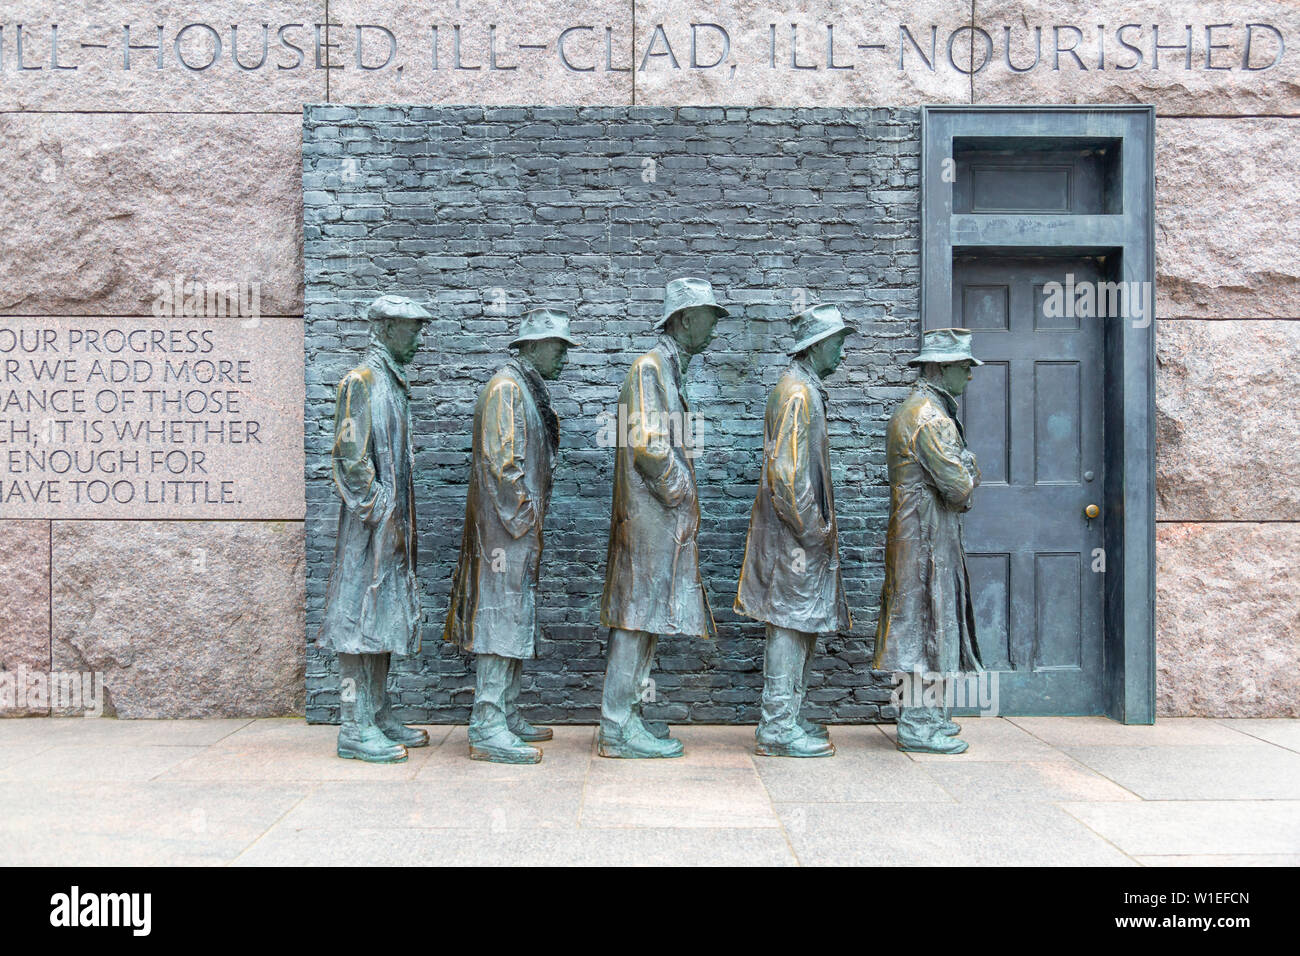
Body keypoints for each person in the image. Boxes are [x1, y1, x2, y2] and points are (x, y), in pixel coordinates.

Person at [598, 277, 725, 759]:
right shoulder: (649, 370)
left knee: (647, 618)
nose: (714, 327)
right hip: (650, 519)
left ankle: (628, 717)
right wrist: (682, 493)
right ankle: (616, 726)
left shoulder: (669, 371)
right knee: (636, 617)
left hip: (659, 520)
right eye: (709, 316)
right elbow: (649, 445)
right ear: (684, 319)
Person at [444, 308, 579, 764]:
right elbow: (504, 465)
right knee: (500, 617)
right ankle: (487, 723)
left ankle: (506, 709)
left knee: (515, 614)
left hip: (515, 528)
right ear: (532, 347)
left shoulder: (523, 387)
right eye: (557, 347)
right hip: (505, 531)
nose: (563, 356)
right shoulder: (507, 389)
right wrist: (525, 518)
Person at [736, 304, 854, 757]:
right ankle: (777, 727)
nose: (842, 353)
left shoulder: (803, 388)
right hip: (794, 538)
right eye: (838, 343)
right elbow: (785, 474)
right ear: (818, 345)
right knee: (788, 622)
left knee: (802, 621)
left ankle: (789, 716)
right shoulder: (797, 393)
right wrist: (814, 530)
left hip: (800, 535)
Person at [318, 294, 432, 763]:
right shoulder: (360, 382)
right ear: (386, 329)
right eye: (412, 329)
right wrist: (380, 509)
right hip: (369, 529)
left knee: (381, 616)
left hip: (390, 526)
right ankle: (353, 725)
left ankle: (378, 712)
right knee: (356, 620)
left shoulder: (391, 382)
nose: (419, 339)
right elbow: (349, 456)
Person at [874, 327, 985, 755]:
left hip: (927, 535)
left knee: (931, 623)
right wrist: (971, 468)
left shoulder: (924, 409)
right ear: (940, 369)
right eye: (963, 368)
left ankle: (931, 714)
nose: (969, 377)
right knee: (921, 626)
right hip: (923, 539)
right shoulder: (928, 418)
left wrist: (964, 468)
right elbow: (960, 488)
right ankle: (918, 724)